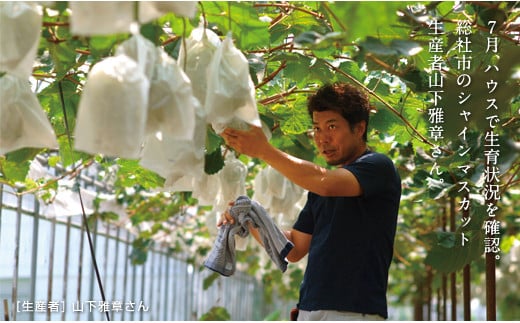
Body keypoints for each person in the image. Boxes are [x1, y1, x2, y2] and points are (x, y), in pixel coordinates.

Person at [220, 83, 401, 321]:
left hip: (354, 313)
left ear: (359, 129)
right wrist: (249, 217)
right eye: (317, 128)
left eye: (332, 127)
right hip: (310, 309)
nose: (322, 138)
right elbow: (293, 248)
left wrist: (264, 151)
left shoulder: (378, 167)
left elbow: (325, 182)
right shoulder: (320, 190)